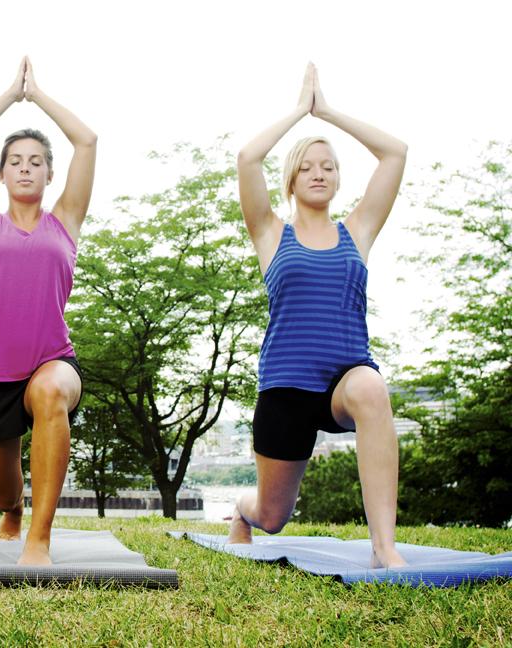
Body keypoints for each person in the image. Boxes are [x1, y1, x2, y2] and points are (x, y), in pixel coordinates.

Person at [231, 63, 407, 568]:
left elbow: (395, 153)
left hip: (343, 381)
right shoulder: (271, 233)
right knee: (272, 515)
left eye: (328, 166)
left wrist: (327, 112)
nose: (318, 173)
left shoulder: (359, 230)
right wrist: (298, 112)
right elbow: (247, 158)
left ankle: (384, 548)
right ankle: (241, 512)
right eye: (307, 166)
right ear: (290, 178)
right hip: (286, 387)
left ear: (337, 179)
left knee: (373, 388)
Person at [0, 57, 97, 565]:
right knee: (2, 492)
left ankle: (39, 538)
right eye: (16, 160)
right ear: (1, 173)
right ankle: (13, 513)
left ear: (51, 174)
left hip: (50, 360)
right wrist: (11, 96)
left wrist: (41, 98)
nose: (26, 168)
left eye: (36, 161)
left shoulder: (66, 221)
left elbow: (87, 141)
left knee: (52, 389)